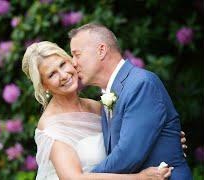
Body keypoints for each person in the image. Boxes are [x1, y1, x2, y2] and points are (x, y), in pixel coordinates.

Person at [22, 41, 177, 179]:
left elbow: (131, 140)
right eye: (52, 74)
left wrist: (165, 139)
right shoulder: (52, 128)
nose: (63, 75)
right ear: (44, 86)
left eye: (62, 64)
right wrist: (139, 178)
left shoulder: (96, 107)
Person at [69, 23, 192, 179]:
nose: (73, 63)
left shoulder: (140, 84)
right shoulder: (110, 93)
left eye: (77, 54)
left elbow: (128, 155)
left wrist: (86, 178)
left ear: (101, 50)